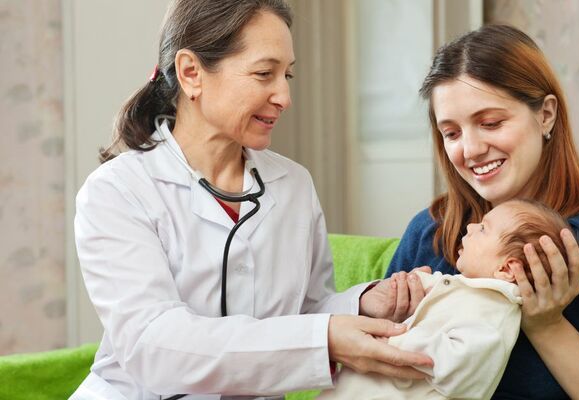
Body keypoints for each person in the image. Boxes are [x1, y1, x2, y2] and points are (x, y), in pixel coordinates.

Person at [70, 1, 432, 399]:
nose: (284, 97)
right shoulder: (117, 191)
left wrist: (360, 305)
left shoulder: (293, 184)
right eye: (264, 74)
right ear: (192, 73)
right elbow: (155, 347)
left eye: (287, 75)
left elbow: (306, 311)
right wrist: (324, 338)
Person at [386, 25, 579, 399]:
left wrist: (546, 325)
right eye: (452, 133)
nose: (470, 149)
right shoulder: (431, 231)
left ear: (546, 115)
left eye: (490, 123)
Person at [318, 199, 575, 400]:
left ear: (507, 269)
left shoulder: (493, 314)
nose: (471, 227)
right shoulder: (463, 288)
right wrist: (406, 288)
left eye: (484, 229)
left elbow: (456, 363)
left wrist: (397, 339)